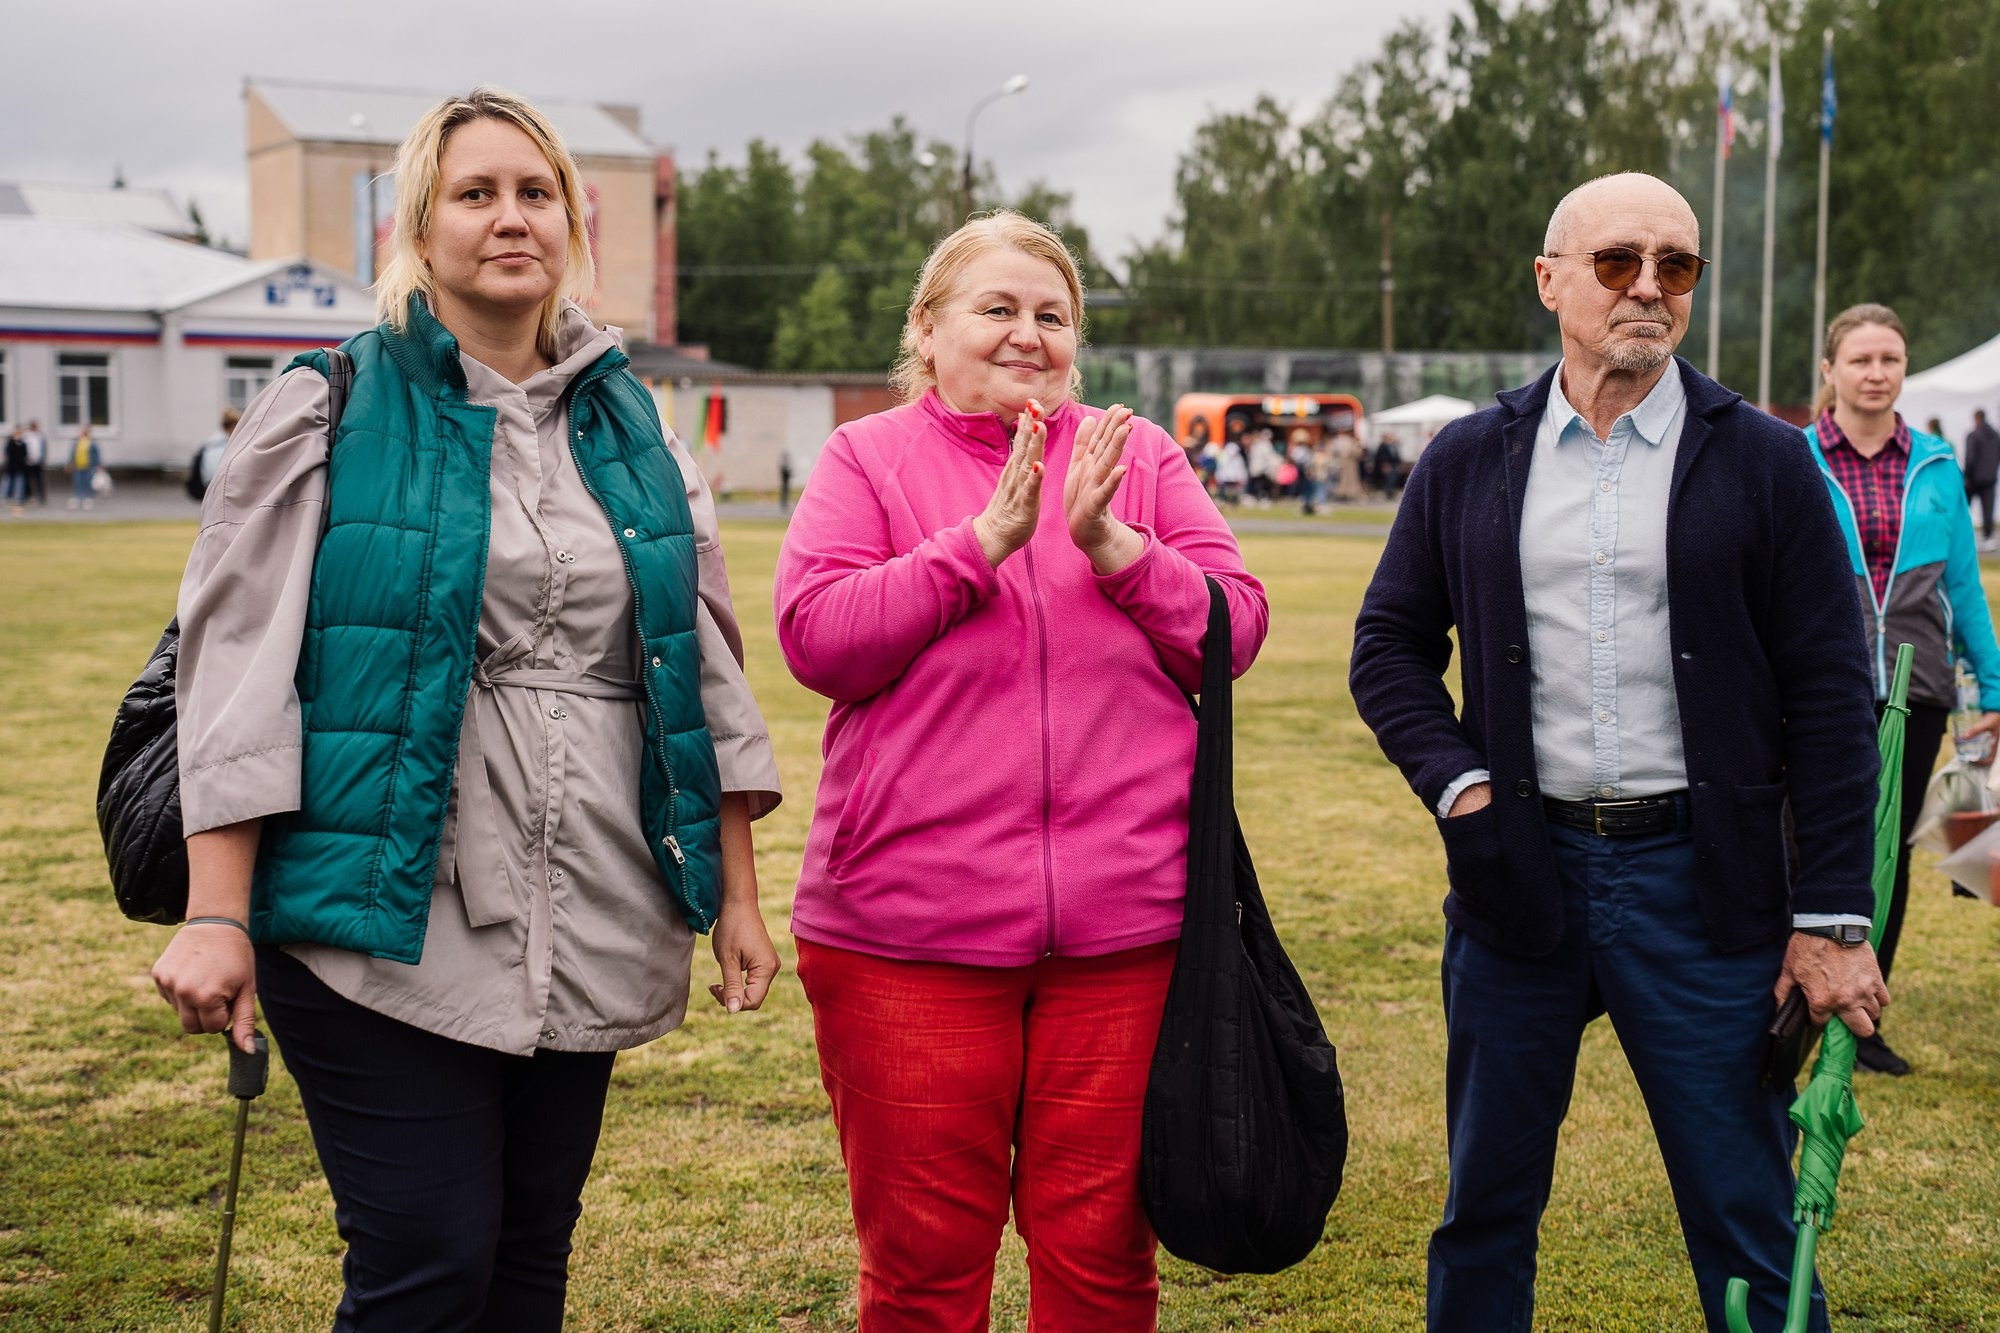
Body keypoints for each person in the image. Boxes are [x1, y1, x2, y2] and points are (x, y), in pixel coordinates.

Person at [148, 87, 782, 1330]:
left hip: (590, 893)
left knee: (529, 1254)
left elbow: (695, 668)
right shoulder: (328, 404)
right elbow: (234, 673)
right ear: (418, 227)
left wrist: (739, 897)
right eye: (475, 193)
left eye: (535, 193)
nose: (510, 218)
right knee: (427, 1263)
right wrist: (216, 913)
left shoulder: (633, 427)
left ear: (570, 224)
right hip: (376, 910)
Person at [1350, 173, 1886, 1333]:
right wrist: (1463, 790)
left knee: (1745, 1210)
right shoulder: (1466, 456)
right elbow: (1386, 647)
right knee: (1484, 1206)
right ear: (1549, 281)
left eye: (1674, 265)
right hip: (1516, 875)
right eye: (1616, 262)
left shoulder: (1763, 460)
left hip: (1702, 887)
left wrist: (1831, 915)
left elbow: (1832, 695)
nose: (1648, 287)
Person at [773, 210, 1268, 1329]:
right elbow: (817, 640)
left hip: (1127, 938)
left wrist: (1116, 548)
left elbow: (1233, 630)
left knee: (1102, 1265)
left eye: (1052, 314)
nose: (1026, 333)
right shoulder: (867, 458)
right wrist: (977, 545)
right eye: (995, 307)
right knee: (921, 1273)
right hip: (906, 939)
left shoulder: (1137, 456)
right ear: (927, 327)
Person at [1803, 303, 2000, 1076]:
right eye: (1860, 359)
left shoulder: (1937, 464)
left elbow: (1964, 587)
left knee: (1887, 852)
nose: (1876, 372)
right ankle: (1787, 1004)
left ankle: (1861, 1020)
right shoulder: (1794, 458)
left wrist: (1992, 688)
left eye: (1890, 358)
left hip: (1918, 691)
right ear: (1830, 370)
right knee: (1806, 843)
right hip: (1820, 687)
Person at [1963, 407, 2000, 550]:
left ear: (1976, 418)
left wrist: (1966, 476)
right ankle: (1988, 537)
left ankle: (1961, 534)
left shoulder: (1973, 435)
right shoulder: (1996, 436)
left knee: (1964, 507)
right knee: (1988, 510)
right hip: (1990, 478)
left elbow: (1970, 458)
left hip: (1973, 479)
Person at [188, 406, 241, 502]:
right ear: (232, 426)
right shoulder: (220, 447)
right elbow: (217, 475)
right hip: (217, 493)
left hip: (210, 492)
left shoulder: (211, 443)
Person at [68, 426, 101, 509]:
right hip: (78, 467)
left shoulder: (92, 443)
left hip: (89, 467)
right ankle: (78, 498)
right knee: (78, 483)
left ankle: (88, 499)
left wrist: (98, 465)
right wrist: (70, 463)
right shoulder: (76, 442)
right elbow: (72, 454)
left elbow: (96, 455)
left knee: (88, 483)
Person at [20, 419, 47, 506]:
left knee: (39, 480)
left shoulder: (40, 436)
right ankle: (29, 496)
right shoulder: (26, 435)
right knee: (27, 480)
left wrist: (43, 460)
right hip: (28, 462)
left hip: (38, 462)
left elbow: (43, 449)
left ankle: (41, 497)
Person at [3, 426, 25, 510]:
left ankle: (17, 498)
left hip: (20, 467)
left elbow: (24, 453)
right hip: (11, 466)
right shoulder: (10, 442)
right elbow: (8, 452)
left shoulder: (22, 443)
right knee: (7, 482)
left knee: (19, 483)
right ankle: (4, 498)